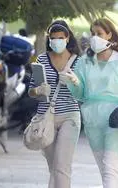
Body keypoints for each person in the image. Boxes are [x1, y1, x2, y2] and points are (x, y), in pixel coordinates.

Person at [61, 18, 118, 188]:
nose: (95, 37)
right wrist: (74, 82)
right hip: (93, 121)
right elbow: (81, 94)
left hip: (117, 119)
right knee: (107, 170)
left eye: (99, 33)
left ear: (109, 35)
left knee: (110, 169)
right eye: (92, 33)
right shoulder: (85, 62)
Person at [28, 20, 81, 188]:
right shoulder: (42, 59)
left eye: (60, 37)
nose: (56, 41)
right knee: (53, 168)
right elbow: (31, 90)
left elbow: (85, 93)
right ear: (49, 39)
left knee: (62, 167)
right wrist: (39, 91)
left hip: (69, 117)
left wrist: (75, 82)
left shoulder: (78, 61)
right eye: (53, 38)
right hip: (45, 119)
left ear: (67, 38)